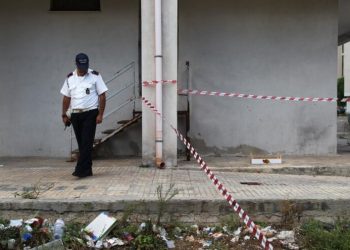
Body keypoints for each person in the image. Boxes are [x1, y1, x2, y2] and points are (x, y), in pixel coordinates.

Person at [60, 53, 108, 178]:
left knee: (87, 142)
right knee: (82, 143)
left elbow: (102, 95)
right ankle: (88, 170)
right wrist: (64, 115)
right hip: (75, 114)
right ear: (76, 64)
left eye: (86, 66)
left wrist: (100, 114)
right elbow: (66, 97)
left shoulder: (95, 76)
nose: (84, 69)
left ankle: (80, 170)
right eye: (81, 66)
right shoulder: (70, 78)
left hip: (90, 113)